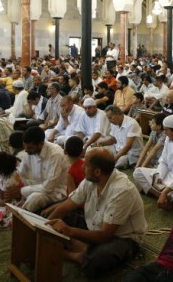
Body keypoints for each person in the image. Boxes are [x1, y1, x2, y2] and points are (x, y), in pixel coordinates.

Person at [47, 148, 146, 278]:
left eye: (86, 164)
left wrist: (70, 231)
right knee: (51, 212)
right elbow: (67, 206)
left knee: (93, 263)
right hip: (94, 225)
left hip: (122, 237)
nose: (82, 166)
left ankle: (75, 254)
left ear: (98, 172)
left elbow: (105, 236)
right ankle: (83, 247)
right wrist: (45, 225)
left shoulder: (122, 191)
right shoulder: (90, 180)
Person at [11, 126, 68, 212]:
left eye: (29, 148)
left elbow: (49, 187)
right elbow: (20, 172)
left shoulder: (55, 154)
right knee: (9, 184)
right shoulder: (29, 152)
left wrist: (21, 191)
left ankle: (19, 217)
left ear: (41, 144)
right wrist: (9, 184)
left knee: (34, 198)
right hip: (36, 185)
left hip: (54, 192)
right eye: (25, 147)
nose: (26, 150)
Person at [102, 105, 143, 170]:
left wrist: (114, 159)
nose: (109, 121)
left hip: (131, 153)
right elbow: (113, 140)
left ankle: (111, 166)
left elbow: (127, 147)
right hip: (118, 150)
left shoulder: (132, 123)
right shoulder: (113, 123)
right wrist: (101, 144)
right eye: (108, 118)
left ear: (118, 114)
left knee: (121, 160)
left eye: (110, 118)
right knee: (101, 151)